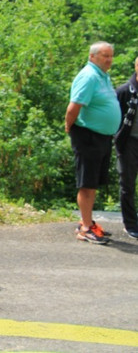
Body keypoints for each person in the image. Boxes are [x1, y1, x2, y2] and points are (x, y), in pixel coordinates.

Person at [64, 41, 121, 244]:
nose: (109, 59)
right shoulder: (89, 76)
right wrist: (69, 126)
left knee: (93, 182)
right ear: (92, 57)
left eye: (111, 55)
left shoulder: (102, 76)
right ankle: (86, 228)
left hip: (101, 137)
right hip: (88, 135)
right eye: (105, 55)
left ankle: (87, 221)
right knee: (87, 183)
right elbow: (74, 107)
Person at [115, 56, 138, 240]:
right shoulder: (125, 91)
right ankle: (130, 224)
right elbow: (114, 116)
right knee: (127, 183)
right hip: (128, 141)